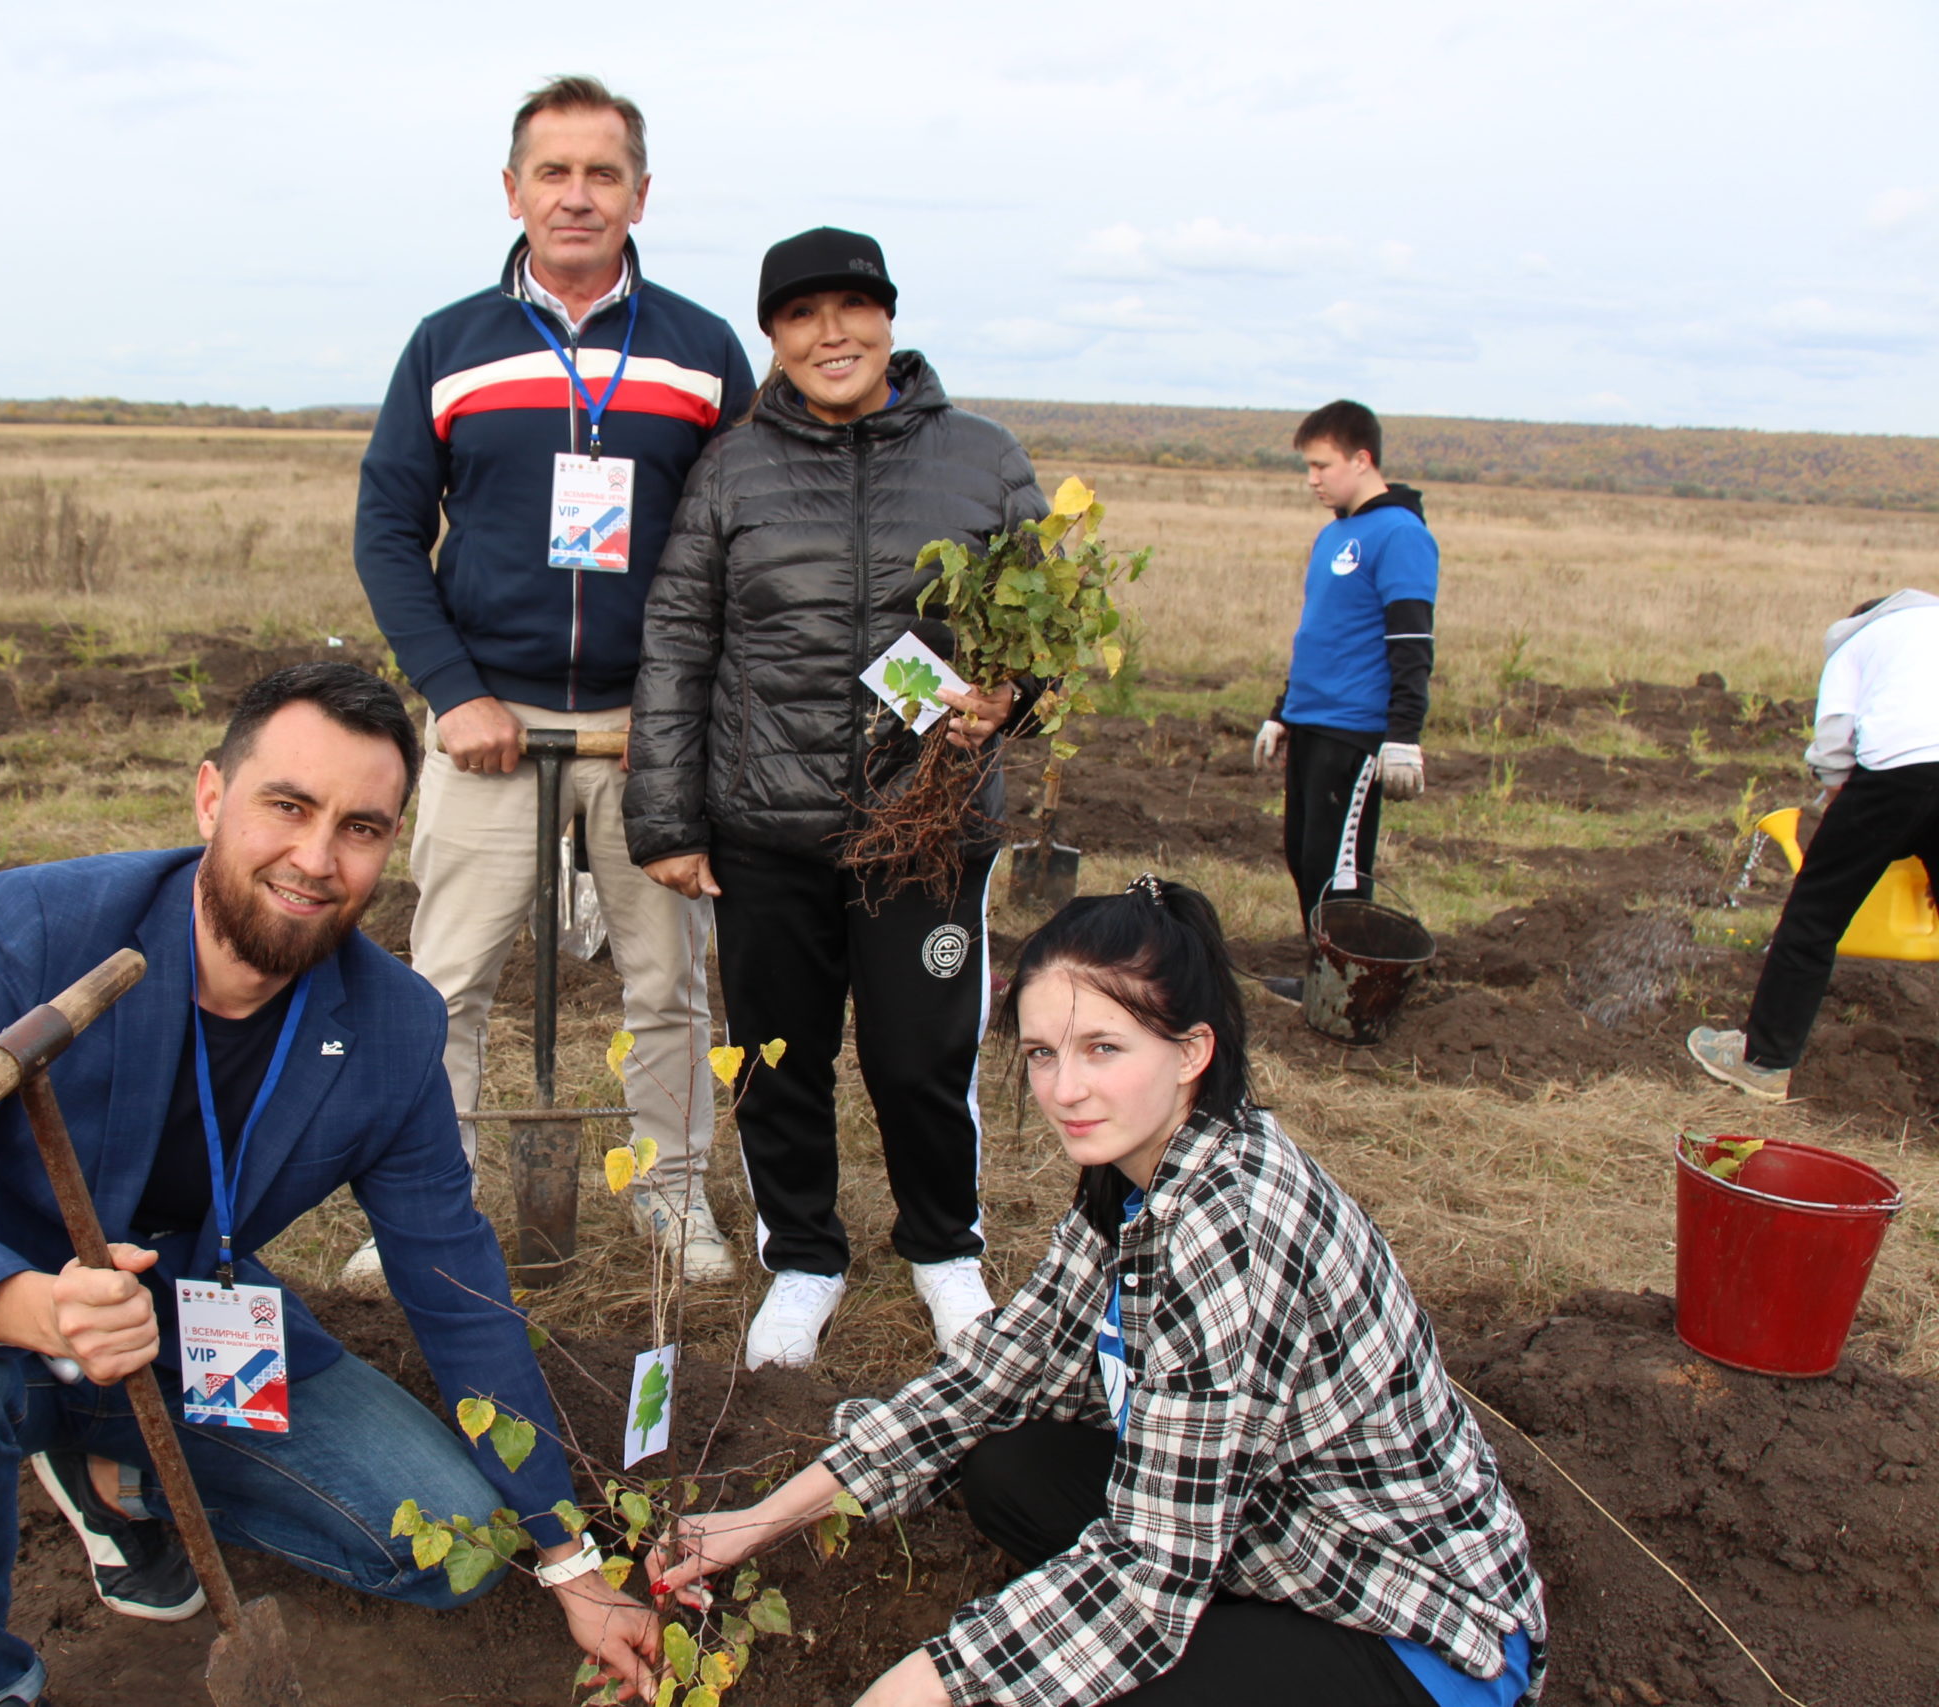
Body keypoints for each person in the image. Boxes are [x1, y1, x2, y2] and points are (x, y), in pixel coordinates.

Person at [0, 663, 661, 1707]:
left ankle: (110, 1466)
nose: (316, 858)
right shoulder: (27, 929)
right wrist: (30, 1307)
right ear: (210, 796)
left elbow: (456, 1288)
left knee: (455, 1545)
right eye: (286, 808)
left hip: (180, 1313)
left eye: (361, 828)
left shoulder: (390, 1027)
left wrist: (568, 1557)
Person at [648, 877, 1545, 1707]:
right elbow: (996, 1371)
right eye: (1042, 1053)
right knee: (1008, 1462)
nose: (1064, 1089)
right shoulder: (1134, 1173)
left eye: (1103, 1048)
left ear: (1193, 1049)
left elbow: (1145, 1587)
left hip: (1415, 1626)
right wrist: (754, 1523)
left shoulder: (1228, 1228)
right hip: (1275, 1535)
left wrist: (916, 1689)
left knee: (1106, 1680)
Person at [353, 75, 757, 1286]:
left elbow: (747, 538)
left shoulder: (698, 352)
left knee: (668, 983)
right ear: (513, 188)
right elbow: (386, 532)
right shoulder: (449, 345)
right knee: (445, 983)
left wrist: (678, 707)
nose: (576, 196)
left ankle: (672, 1197)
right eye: (552, 171)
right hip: (489, 722)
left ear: (640, 192)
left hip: (649, 731)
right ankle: (422, 1206)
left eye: (601, 173)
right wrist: (454, 691)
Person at [626, 226, 1047, 1370]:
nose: (830, 333)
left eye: (851, 308)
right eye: (801, 315)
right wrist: (664, 821)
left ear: (890, 319)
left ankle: (943, 1251)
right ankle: (802, 1258)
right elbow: (676, 642)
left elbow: (1041, 637)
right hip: (768, 830)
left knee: (920, 1057)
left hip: (928, 832)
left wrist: (1010, 697)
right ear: (772, 337)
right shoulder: (733, 467)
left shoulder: (983, 457)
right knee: (777, 1055)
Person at [1690, 589, 1939, 1101]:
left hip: (1898, 771)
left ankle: (1763, 1062)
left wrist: (1836, 802)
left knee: (1813, 919)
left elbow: (1833, 743)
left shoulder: (1854, 644)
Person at [1251, 400, 1434, 1001]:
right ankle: (1322, 976)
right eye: (1308, 466)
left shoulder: (1401, 534)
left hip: (1356, 730)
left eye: (1322, 465)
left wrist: (1403, 735)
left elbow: (1410, 641)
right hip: (1311, 721)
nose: (1312, 479)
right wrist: (1283, 711)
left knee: (1340, 868)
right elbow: (1319, 634)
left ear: (1362, 459)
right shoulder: (1334, 534)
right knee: (1305, 858)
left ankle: (1351, 994)